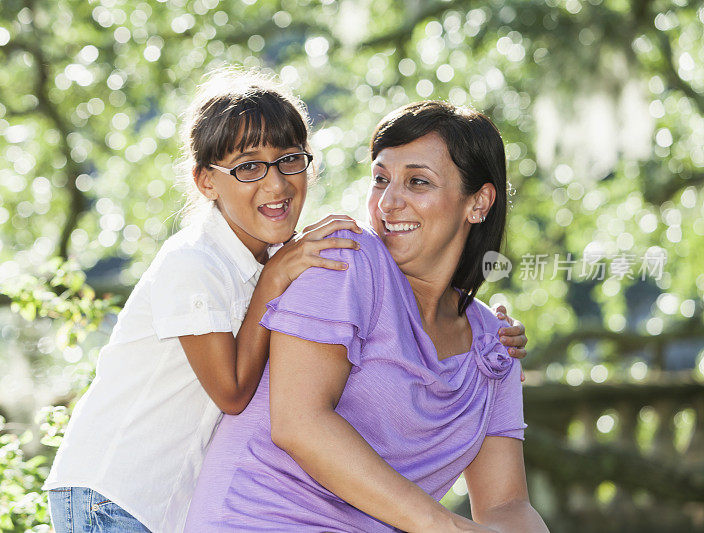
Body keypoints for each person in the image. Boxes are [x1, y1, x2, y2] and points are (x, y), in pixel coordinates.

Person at [184, 100, 547, 532]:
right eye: (380, 179)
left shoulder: (494, 345)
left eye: (417, 182)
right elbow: (299, 423)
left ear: (478, 202)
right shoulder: (343, 260)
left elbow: (506, 505)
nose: (390, 202)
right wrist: (444, 527)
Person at [42, 70, 367, 533]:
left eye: (290, 160)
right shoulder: (194, 263)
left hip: (159, 507)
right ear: (205, 181)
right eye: (249, 167)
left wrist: (481, 331)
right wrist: (275, 277)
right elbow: (232, 392)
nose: (276, 185)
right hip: (111, 496)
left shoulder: (274, 261)